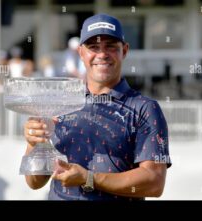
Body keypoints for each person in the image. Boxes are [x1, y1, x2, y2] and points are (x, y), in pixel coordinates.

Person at [24, 14, 171, 200]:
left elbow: (154, 182)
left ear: (124, 51)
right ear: (81, 53)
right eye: (93, 47)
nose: (102, 54)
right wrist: (33, 144)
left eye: (110, 46)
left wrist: (89, 179)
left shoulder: (145, 109)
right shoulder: (60, 103)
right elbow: (35, 182)